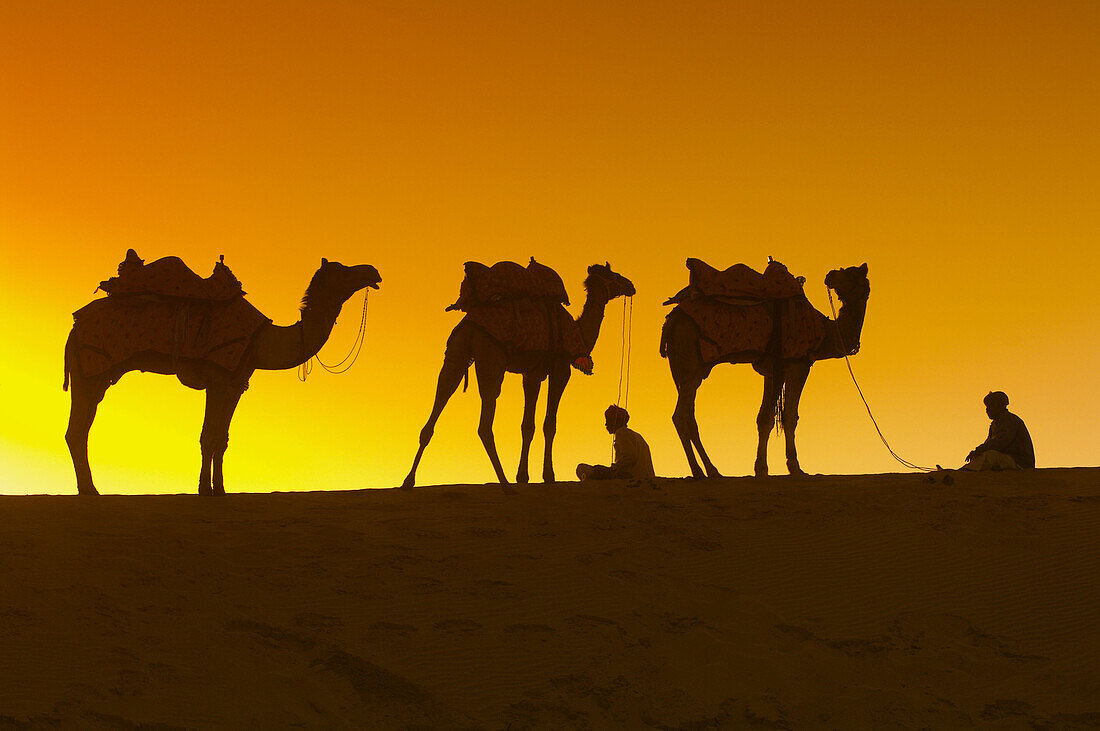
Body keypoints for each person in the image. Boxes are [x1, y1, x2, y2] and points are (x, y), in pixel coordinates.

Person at [576, 405, 656, 481]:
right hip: (642, 475)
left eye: (608, 421)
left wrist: (614, 469)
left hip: (632, 476)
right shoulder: (636, 435)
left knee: (582, 468)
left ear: (615, 421)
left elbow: (630, 457)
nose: (606, 424)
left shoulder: (621, 432)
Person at [962, 391, 1035, 471]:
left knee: (990, 456)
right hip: (1007, 459)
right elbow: (989, 443)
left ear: (998, 406)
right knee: (983, 456)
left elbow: (1000, 442)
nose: (987, 410)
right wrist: (978, 452)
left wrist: (979, 450)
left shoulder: (1008, 419)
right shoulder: (995, 423)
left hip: (1020, 462)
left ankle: (967, 472)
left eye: (990, 406)